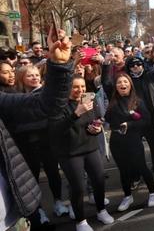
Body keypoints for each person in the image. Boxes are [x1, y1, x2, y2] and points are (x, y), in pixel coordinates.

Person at [101, 40, 154, 182]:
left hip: (151, 119)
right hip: (132, 121)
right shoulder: (124, 80)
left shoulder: (151, 75)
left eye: (138, 64)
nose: (135, 67)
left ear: (143, 65)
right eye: (132, 65)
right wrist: (106, 66)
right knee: (133, 150)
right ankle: (136, 175)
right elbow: (107, 84)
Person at [49, 75, 114, 230]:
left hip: (90, 148)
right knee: (78, 187)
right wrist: (75, 114)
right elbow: (56, 131)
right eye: (76, 87)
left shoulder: (89, 100)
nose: (80, 90)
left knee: (99, 181)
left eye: (83, 86)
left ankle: (101, 210)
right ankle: (81, 221)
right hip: (70, 153)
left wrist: (96, 129)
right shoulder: (58, 105)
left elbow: (96, 120)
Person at [11, 65, 66, 223]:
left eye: (36, 75)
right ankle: (38, 210)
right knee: (32, 179)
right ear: (21, 78)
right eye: (30, 75)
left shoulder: (45, 95)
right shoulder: (15, 98)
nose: (34, 77)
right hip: (27, 145)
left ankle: (58, 202)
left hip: (47, 142)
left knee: (53, 173)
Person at [104, 73, 154, 212]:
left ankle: (152, 192)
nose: (122, 84)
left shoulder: (137, 101)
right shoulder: (113, 101)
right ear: (116, 86)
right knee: (123, 170)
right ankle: (127, 196)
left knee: (141, 167)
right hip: (116, 141)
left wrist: (130, 124)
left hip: (133, 140)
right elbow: (108, 118)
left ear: (130, 85)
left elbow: (146, 120)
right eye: (119, 82)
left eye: (125, 82)